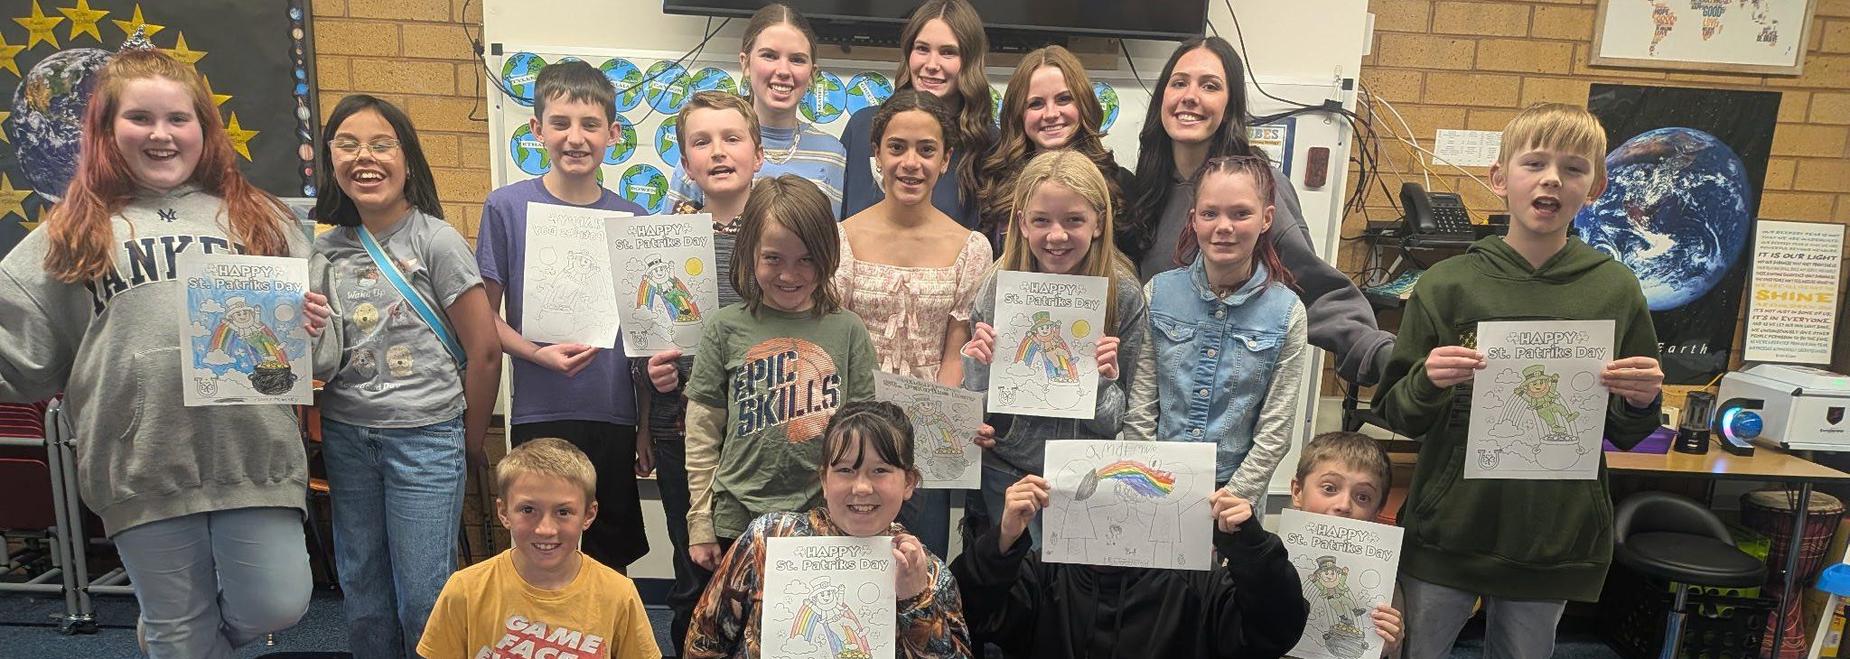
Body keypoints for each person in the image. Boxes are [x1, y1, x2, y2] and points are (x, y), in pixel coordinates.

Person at [0, 47, 329, 658]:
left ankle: (178, 638)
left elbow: (322, 351)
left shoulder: (261, 219)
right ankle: (175, 636)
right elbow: (22, 354)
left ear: (204, 128)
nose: (161, 134)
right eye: (140, 118)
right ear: (106, 129)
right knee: (181, 624)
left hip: (254, 457)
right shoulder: (75, 228)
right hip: (140, 463)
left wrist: (312, 329)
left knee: (277, 603)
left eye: (178, 118)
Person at [1372, 103, 1665, 659]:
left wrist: (1642, 400)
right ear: (1499, 178)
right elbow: (1396, 413)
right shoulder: (1446, 284)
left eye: (1573, 168)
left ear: (1596, 187)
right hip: (1449, 531)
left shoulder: (1615, 289)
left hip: (1550, 538)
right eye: (1534, 163)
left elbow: (1628, 431)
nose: (1552, 178)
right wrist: (1427, 380)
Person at [312, 94, 502, 658]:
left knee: (424, 598)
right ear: (330, 159)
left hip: (426, 438)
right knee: (364, 593)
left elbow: (485, 350)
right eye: (348, 145)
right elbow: (316, 356)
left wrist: (469, 442)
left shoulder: (435, 240)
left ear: (407, 158)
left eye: (381, 144)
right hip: (347, 435)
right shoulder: (322, 250)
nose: (364, 157)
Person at [1126, 36, 1395, 387]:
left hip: (1226, 398)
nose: (1190, 96)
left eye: (1210, 86)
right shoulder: (1147, 191)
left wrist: (1380, 353)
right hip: (1151, 397)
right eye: (1179, 83)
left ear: (1229, 106)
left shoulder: (1260, 189)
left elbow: (1312, 287)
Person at [476, 59, 653, 574]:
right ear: (537, 129)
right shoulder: (507, 208)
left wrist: (644, 426)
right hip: (540, 411)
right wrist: (537, 354)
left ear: (612, 134)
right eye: (561, 123)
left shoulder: (634, 219)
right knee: (541, 547)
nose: (575, 138)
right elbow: (483, 317)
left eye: (590, 124)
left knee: (608, 559)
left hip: (613, 413)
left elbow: (644, 337)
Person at [679, 175, 878, 575]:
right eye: (773, 258)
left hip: (825, 519)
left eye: (806, 259)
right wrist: (699, 522)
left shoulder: (849, 330)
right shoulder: (724, 328)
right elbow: (701, 434)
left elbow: (865, 436)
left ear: (828, 255)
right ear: (749, 253)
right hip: (736, 519)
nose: (789, 274)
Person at [959, 150, 1147, 548]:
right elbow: (980, 411)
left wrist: (1100, 381)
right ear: (1022, 223)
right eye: (1042, 220)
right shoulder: (998, 285)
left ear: (1098, 223)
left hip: (1084, 478)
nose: (1057, 235)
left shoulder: (1124, 294)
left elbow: (1121, 421)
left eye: (1074, 220)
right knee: (1004, 578)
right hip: (1005, 473)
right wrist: (976, 371)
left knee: (1072, 585)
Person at [686, 401, 971, 657]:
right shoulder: (768, 539)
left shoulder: (928, 573)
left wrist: (916, 600)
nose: (861, 487)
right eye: (845, 470)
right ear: (824, 480)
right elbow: (704, 640)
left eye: (880, 470)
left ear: (909, 482)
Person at [836, 89, 991, 557]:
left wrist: (932, 431)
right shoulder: (841, 239)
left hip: (926, 444)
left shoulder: (971, 248)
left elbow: (955, 351)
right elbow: (835, 349)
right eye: (897, 147)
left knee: (921, 567)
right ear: (876, 154)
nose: (911, 163)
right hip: (852, 439)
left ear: (945, 160)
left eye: (926, 150)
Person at [634, 89, 761, 651]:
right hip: (680, 429)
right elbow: (642, 340)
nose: (719, 151)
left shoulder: (781, 238)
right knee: (693, 573)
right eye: (702, 142)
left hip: (760, 433)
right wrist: (651, 374)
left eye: (733, 138)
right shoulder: (660, 241)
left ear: (758, 153)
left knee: (759, 573)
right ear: (685, 163)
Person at [952, 474, 1307, 658]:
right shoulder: (1045, 573)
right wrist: (1003, 540)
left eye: (1127, 508)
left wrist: (1252, 548)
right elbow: (965, 615)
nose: (1112, 523)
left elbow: (1273, 632)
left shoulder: (1196, 581)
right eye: (1099, 508)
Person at [1121, 156, 1306, 502]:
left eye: (1241, 213)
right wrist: (1147, 479)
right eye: (1210, 214)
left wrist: (1236, 496)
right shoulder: (1158, 294)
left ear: (1266, 218)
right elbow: (1140, 405)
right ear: (1194, 219)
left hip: (1233, 495)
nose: (1224, 226)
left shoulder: (1286, 312)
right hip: (1159, 480)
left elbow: (1276, 430)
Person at [417, 438, 661, 659]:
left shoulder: (618, 594)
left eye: (563, 512)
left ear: (588, 515)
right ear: (504, 512)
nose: (545, 529)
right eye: (528, 510)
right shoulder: (465, 590)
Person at [669, 4, 847, 217]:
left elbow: (828, 235)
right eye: (769, 56)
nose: (783, 71)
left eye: (797, 60)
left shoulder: (832, 154)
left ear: (812, 73)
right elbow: (674, 235)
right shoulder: (705, 148)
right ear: (745, 63)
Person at [839, 0, 992, 228]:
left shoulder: (989, 144)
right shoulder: (862, 127)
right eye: (922, 49)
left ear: (970, 61)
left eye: (948, 52)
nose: (932, 64)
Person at [978, 45, 1134, 252]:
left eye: (1063, 99)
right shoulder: (994, 185)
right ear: (1018, 114)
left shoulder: (1121, 185)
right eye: (1036, 104)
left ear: (1084, 104)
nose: (1051, 114)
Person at [1288, 431, 1407, 657]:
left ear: (1377, 510)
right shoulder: (1262, 560)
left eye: (1363, 497)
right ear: (1297, 491)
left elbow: (1379, 650)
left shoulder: (1386, 588)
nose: (1343, 505)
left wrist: (1384, 647)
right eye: (1329, 488)